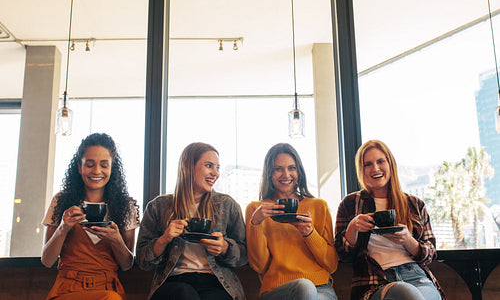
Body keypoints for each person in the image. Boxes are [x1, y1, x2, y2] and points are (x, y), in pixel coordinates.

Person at [334, 140, 446, 300]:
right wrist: (353, 228)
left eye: (380, 161)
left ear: (390, 164)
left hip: (415, 275)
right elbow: (342, 255)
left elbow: (431, 254)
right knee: (405, 293)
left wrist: (409, 241)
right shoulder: (350, 204)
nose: (375, 168)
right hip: (375, 281)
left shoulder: (415, 204)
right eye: (367, 164)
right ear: (361, 170)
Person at [136, 142, 248, 300]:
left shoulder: (227, 205)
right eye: (209, 166)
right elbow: (142, 261)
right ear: (187, 166)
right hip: (174, 282)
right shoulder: (158, 207)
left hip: (217, 282)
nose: (215, 173)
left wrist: (224, 248)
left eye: (217, 168)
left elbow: (244, 255)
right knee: (184, 294)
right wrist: (164, 239)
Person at [41, 133, 140, 300]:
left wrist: (116, 240)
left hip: (108, 290)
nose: (96, 171)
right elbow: (47, 260)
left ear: (112, 168)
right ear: (80, 167)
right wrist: (63, 228)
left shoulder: (126, 206)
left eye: (104, 165)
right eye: (89, 164)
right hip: (67, 289)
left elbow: (126, 265)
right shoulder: (61, 201)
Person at [246, 143, 338, 300]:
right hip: (277, 290)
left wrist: (309, 233)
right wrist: (255, 224)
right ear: (269, 173)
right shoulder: (257, 210)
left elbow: (331, 265)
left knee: (307, 288)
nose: (286, 174)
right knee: (303, 286)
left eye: (291, 168)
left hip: (321, 289)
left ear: (299, 172)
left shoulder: (318, 206)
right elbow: (259, 266)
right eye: (278, 169)